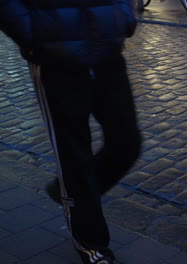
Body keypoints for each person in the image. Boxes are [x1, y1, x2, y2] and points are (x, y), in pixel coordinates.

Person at [0, 1, 141, 263]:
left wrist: (125, 18)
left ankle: (73, 196)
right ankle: (92, 244)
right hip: (55, 57)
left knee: (127, 142)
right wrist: (34, 35)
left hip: (107, 49)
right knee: (74, 155)